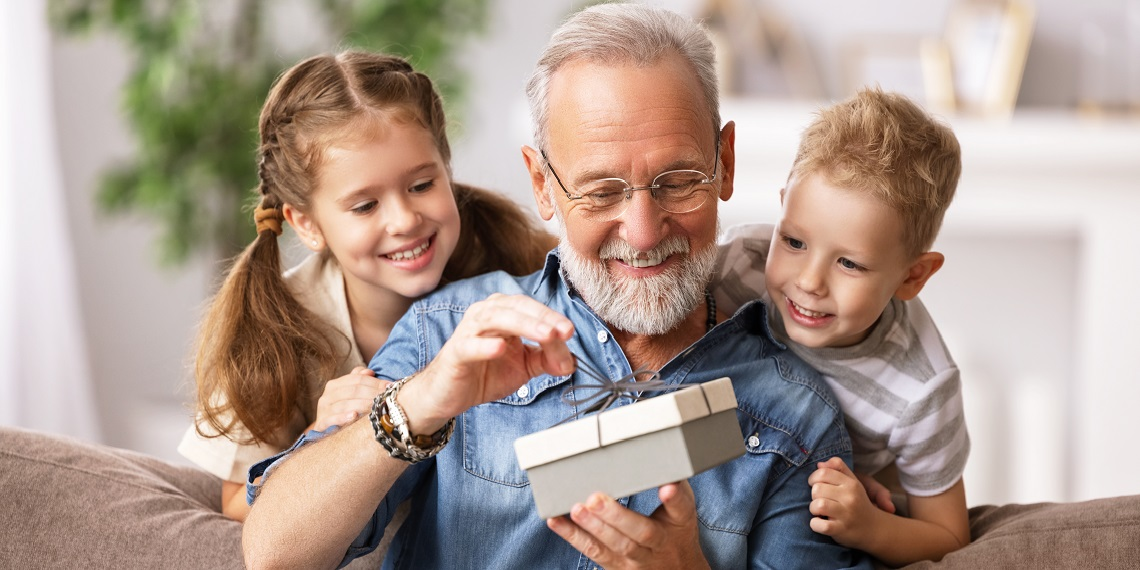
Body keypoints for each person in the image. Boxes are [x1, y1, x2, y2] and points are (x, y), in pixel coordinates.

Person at [242, 5, 870, 569]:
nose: (645, 232)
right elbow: (275, 554)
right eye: (601, 191)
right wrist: (421, 401)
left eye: (678, 181)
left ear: (724, 163)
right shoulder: (447, 330)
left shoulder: (793, 416)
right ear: (542, 185)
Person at [179, 49, 556, 523]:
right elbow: (238, 505)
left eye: (422, 185)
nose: (404, 220)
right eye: (364, 207)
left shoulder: (517, 265)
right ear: (307, 224)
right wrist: (321, 435)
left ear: (447, 166)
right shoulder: (268, 334)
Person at [712, 88, 969, 566]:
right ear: (783, 203)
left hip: (801, 520)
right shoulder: (734, 270)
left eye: (849, 263)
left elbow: (949, 535)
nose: (808, 282)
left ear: (913, 276)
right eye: (793, 240)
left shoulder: (922, 390)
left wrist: (871, 526)